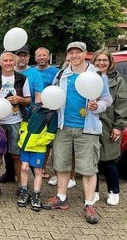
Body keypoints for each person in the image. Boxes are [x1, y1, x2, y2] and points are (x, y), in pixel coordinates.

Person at [42, 42, 112, 225]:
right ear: (68, 55)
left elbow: (107, 99)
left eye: (78, 52)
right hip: (63, 127)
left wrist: (98, 106)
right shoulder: (61, 74)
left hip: (87, 128)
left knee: (88, 168)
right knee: (62, 164)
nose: (74, 56)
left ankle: (89, 204)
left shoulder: (97, 75)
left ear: (85, 54)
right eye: (71, 53)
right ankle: (61, 198)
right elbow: (53, 95)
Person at [0, 51, 31, 192]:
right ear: (0, 62)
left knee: (17, 155)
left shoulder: (22, 78)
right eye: (6, 61)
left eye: (11, 60)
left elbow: (28, 100)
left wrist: (20, 99)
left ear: (15, 61)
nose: (9, 63)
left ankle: (22, 187)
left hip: (16, 121)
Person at [91, 49, 127, 206]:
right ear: (94, 62)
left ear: (110, 62)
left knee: (108, 160)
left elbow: (122, 104)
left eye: (104, 60)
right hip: (90, 123)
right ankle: (94, 191)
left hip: (108, 125)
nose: (101, 63)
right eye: (98, 60)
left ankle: (114, 191)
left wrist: (119, 126)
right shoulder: (89, 78)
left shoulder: (117, 81)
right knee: (92, 160)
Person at [17, 103, 58, 211]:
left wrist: (39, 142)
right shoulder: (34, 107)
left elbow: (51, 133)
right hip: (25, 145)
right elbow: (25, 121)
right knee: (24, 168)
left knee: (38, 171)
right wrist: (22, 132)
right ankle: (24, 191)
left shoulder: (52, 114)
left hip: (38, 148)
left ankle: (36, 194)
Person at [34, 47, 61, 181]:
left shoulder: (56, 72)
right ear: (35, 58)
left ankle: (43, 166)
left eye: (44, 55)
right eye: (39, 55)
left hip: (50, 111)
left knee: (47, 140)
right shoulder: (32, 72)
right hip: (35, 111)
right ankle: (35, 165)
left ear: (48, 56)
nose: (41, 57)